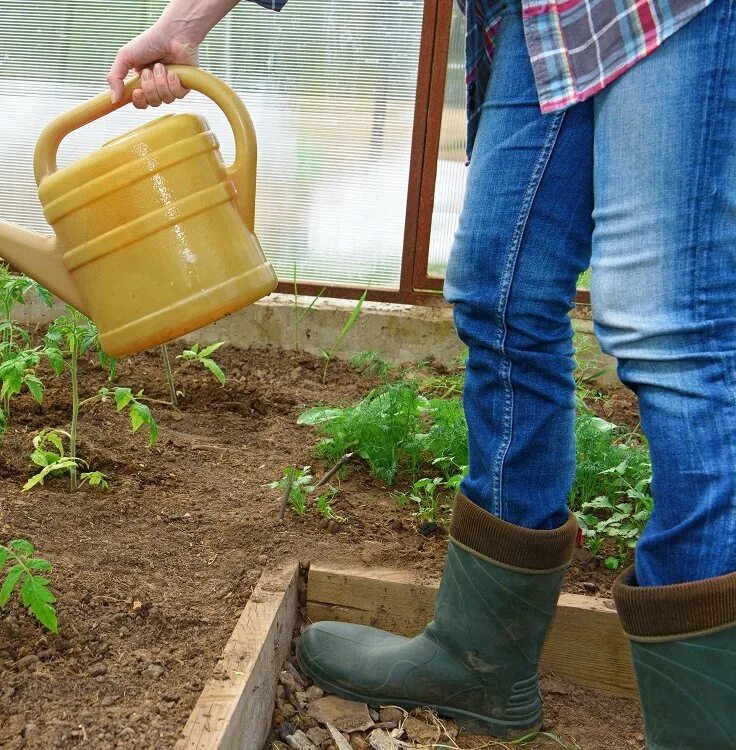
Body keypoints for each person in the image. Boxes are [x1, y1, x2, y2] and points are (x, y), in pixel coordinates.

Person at [108, 1, 736, 747]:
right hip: (541, 17)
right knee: (501, 295)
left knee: (666, 328)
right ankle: (482, 665)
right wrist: (185, 23)